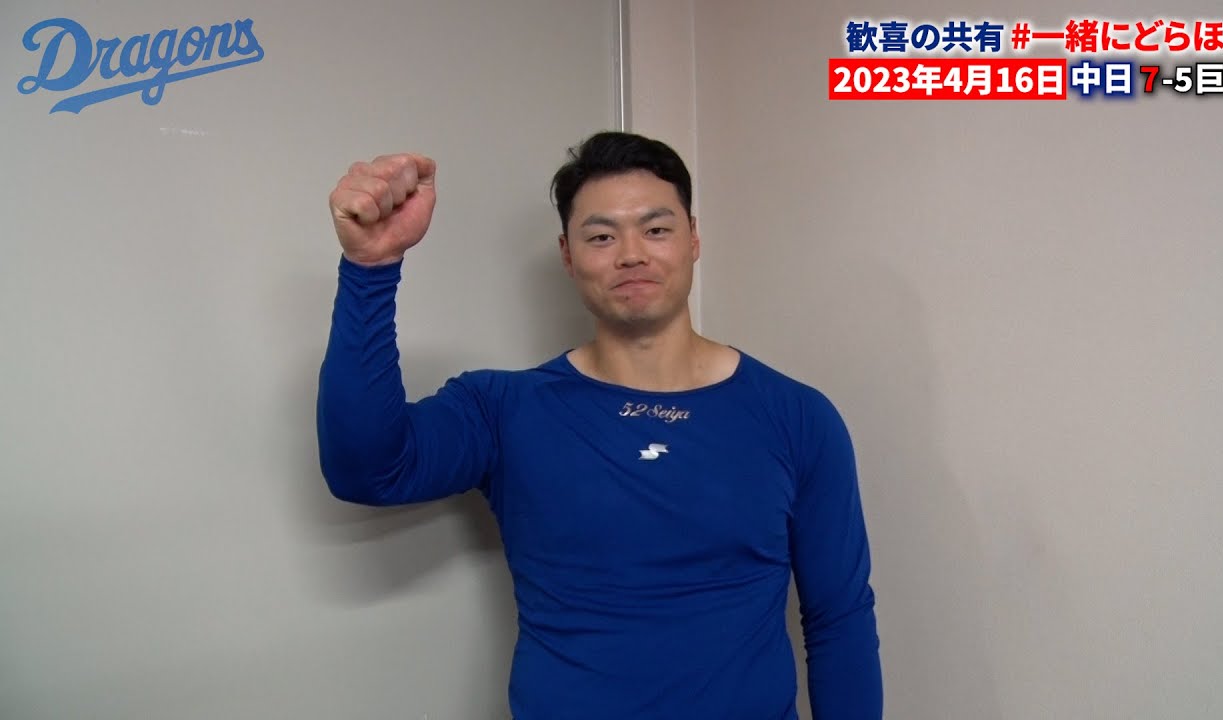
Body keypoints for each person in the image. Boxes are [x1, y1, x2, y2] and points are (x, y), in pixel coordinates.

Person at [316, 131, 882, 719]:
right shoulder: (504, 410)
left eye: (656, 229)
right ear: (568, 254)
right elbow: (367, 469)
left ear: (693, 239)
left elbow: (839, 618)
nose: (631, 254)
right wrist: (370, 269)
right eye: (602, 236)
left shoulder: (797, 417)